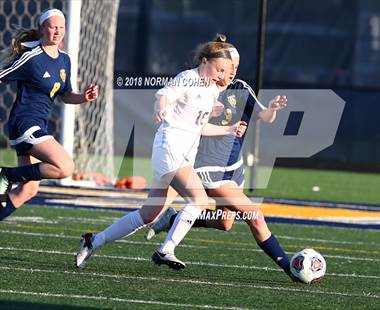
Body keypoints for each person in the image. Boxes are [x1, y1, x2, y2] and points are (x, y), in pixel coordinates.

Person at [75, 35, 247, 269]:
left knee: (149, 214)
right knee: (199, 199)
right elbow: (163, 95)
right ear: (204, 61)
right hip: (170, 148)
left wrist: (228, 128)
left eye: (224, 71)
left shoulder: (209, 90)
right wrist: (161, 108)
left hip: (182, 153)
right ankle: (166, 249)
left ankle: (94, 240)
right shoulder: (189, 78)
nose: (220, 75)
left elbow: (200, 127)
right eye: (219, 69)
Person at [145, 39, 296, 281]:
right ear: (216, 65)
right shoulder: (201, 87)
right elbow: (172, 104)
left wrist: (273, 108)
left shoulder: (241, 88)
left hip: (234, 167)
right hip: (209, 169)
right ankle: (291, 268)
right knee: (254, 216)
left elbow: (264, 117)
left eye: (235, 67)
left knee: (225, 223)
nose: (231, 71)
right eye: (227, 66)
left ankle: (174, 218)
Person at [0, 9, 98, 221]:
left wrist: (83, 97)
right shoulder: (31, 57)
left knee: (28, 191)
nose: (57, 31)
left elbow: (65, 95)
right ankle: (5, 175)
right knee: (65, 167)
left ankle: (6, 181)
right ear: (42, 29)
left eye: (61, 27)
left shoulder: (64, 60)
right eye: (53, 27)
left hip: (38, 126)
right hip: (24, 123)